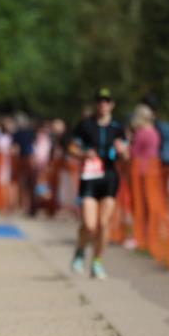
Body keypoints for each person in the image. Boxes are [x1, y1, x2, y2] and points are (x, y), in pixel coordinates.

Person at [68, 88, 129, 279]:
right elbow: (71, 148)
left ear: (112, 105)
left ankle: (97, 261)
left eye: (107, 101)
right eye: (100, 100)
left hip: (109, 178)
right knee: (89, 224)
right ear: (96, 104)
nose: (103, 104)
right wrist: (83, 154)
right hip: (90, 178)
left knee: (103, 223)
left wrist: (122, 151)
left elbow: (126, 157)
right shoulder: (86, 125)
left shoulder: (118, 128)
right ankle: (80, 251)